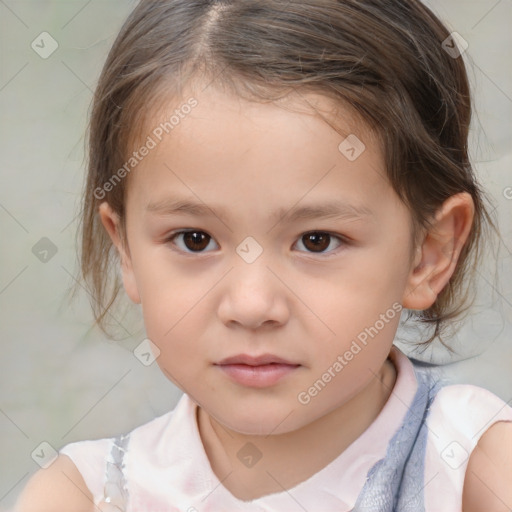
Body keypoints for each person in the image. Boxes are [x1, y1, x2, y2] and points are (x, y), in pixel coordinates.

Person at [15, 0, 512, 510]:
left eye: (317, 240)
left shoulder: (471, 469)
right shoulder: (84, 495)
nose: (252, 305)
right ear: (126, 250)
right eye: (194, 239)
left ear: (428, 253)